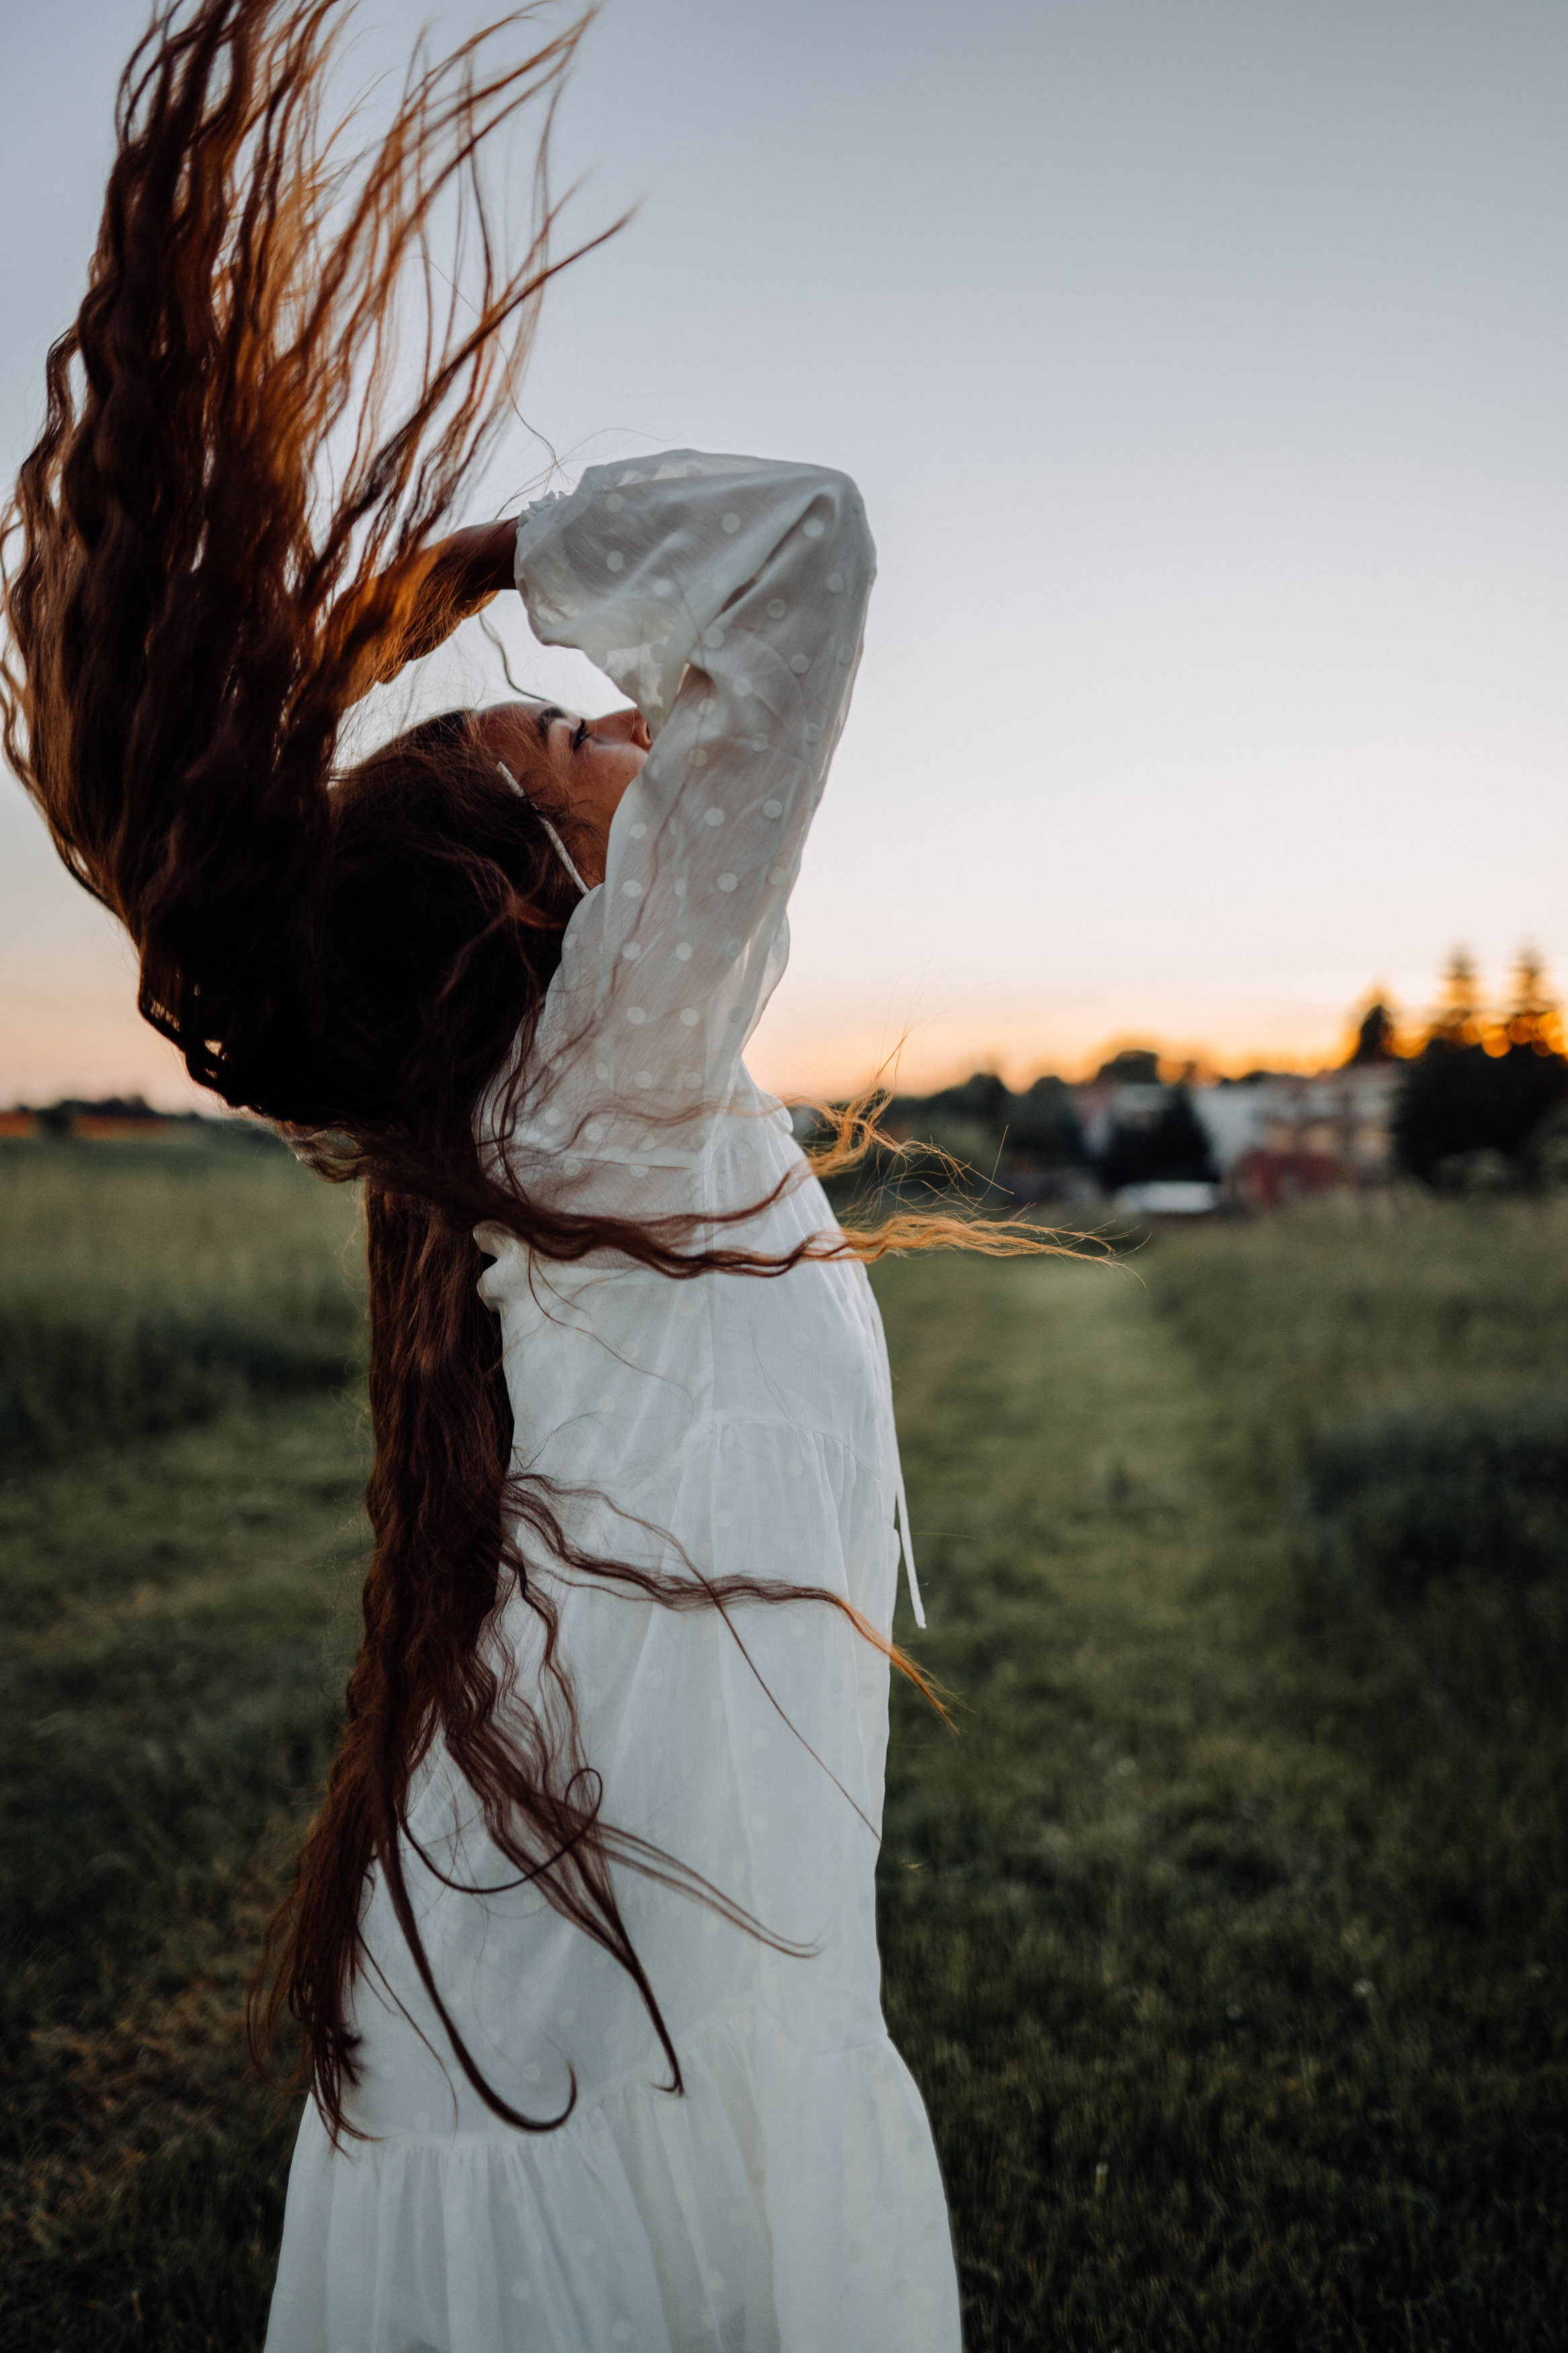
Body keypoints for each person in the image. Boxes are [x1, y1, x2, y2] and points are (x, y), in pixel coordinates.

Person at [3, 5, 1046, 2344]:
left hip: (569, 1963)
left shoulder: (539, 1113)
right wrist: (485, 560)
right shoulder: (604, 1081)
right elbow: (807, 548)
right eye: (565, 727)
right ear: (521, 894)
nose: (627, 717)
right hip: (591, 2002)